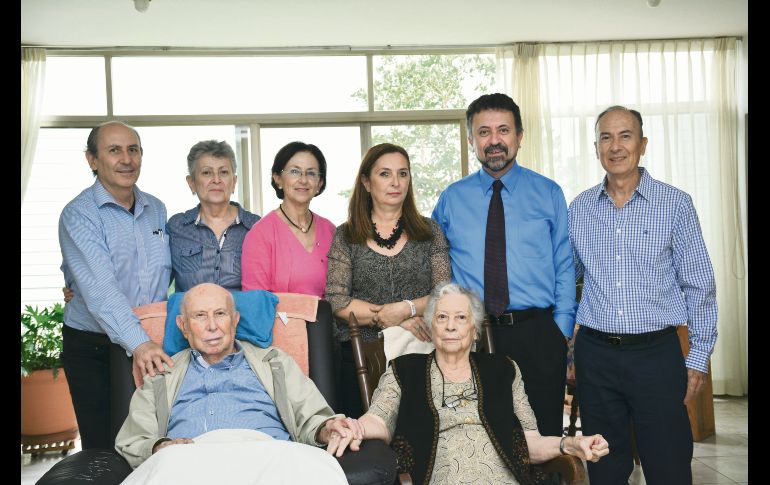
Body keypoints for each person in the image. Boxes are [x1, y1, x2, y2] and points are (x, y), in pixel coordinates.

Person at [324, 282, 609, 485]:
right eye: (442, 317)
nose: (450, 326)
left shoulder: (503, 370)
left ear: (474, 331)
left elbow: (530, 442)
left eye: (461, 318)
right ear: (431, 327)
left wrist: (570, 443)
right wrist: (356, 427)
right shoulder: (404, 369)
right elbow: (380, 421)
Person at [568, 106, 718, 485]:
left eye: (625, 136)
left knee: (668, 463)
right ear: (596, 147)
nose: (615, 146)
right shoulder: (580, 209)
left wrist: (698, 357)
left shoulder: (675, 204)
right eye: (606, 137)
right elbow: (565, 281)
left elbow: (700, 284)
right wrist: (568, 347)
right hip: (596, 356)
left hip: (656, 355)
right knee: (604, 466)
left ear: (643, 144)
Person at [432, 93, 575, 437]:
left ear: (519, 136)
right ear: (471, 140)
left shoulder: (549, 193)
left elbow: (565, 264)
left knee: (543, 440)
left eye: (503, 130)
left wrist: (560, 330)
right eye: (483, 132)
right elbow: (436, 265)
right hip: (474, 336)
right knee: (481, 438)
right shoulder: (452, 198)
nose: (494, 140)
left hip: (538, 334)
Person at [115, 283, 353, 483]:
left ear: (235, 319)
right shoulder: (162, 375)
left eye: (220, 314)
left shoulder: (274, 362)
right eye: (200, 316)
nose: (212, 326)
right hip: (189, 461)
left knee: (314, 468)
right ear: (183, 326)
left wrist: (326, 429)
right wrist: (160, 447)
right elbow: (134, 439)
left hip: (267, 455)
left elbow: (312, 417)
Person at [58, 121, 174, 449]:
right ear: (92, 160)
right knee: (106, 446)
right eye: (114, 150)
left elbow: (168, 270)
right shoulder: (78, 214)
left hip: (148, 342)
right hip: (95, 346)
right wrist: (139, 343)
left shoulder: (157, 208)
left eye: (133, 149)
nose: (126, 159)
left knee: (152, 440)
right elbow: (100, 289)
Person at [325, 142, 451, 418]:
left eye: (403, 173)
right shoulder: (345, 236)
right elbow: (336, 301)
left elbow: (445, 294)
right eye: (385, 174)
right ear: (366, 183)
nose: (396, 182)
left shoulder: (430, 231)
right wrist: (393, 318)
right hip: (362, 358)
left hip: (422, 354)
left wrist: (406, 308)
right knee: (369, 447)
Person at [241, 141, 336, 298]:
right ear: (278, 178)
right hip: (279, 322)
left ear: (320, 183)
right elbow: (255, 301)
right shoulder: (261, 233)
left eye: (311, 173)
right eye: (294, 172)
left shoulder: (330, 230)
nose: (303, 180)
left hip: (328, 321)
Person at [166, 140, 260, 292]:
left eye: (223, 172)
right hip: (189, 316)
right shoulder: (176, 227)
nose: (216, 180)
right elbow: (157, 281)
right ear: (191, 183)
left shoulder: (256, 227)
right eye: (207, 173)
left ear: (234, 181)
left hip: (243, 315)